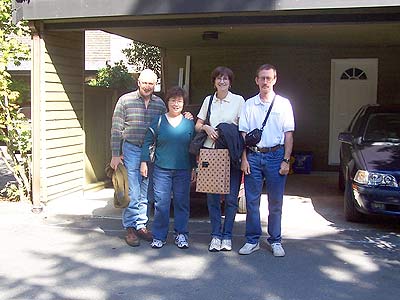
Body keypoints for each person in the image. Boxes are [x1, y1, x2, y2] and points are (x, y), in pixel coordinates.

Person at [238, 63, 295, 257]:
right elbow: (243, 135)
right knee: (252, 202)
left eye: (268, 78)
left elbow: (289, 135)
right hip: (253, 156)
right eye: (262, 78)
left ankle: (275, 240)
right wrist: (244, 159)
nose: (265, 82)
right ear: (256, 80)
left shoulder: (284, 104)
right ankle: (252, 240)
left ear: (275, 80)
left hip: (276, 156)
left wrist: (286, 160)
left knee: (275, 202)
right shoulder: (248, 104)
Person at [110, 69, 165, 247]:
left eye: (151, 83)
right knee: (132, 190)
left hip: (150, 152)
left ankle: (141, 225)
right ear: (138, 82)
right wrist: (115, 154)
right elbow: (116, 128)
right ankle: (130, 227)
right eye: (145, 82)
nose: (148, 86)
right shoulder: (125, 100)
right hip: (131, 149)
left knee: (146, 190)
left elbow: (166, 125)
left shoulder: (160, 104)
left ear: (155, 85)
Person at [195, 66, 245, 252]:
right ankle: (216, 235)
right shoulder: (208, 101)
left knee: (232, 198)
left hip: (231, 154)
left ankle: (227, 236)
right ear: (214, 81)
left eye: (225, 79)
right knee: (213, 198)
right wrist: (207, 128)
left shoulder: (239, 101)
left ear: (230, 82)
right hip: (211, 153)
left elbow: (243, 128)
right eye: (218, 78)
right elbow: (198, 124)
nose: (222, 81)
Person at [140, 86, 196, 249]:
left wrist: (195, 168)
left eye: (179, 101)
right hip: (161, 169)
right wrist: (144, 162)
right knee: (161, 204)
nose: (176, 104)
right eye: (173, 100)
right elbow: (148, 142)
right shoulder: (158, 121)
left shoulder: (189, 124)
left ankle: (181, 235)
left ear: (184, 103)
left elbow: (193, 149)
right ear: (167, 102)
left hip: (183, 170)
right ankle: (159, 236)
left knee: (181, 203)